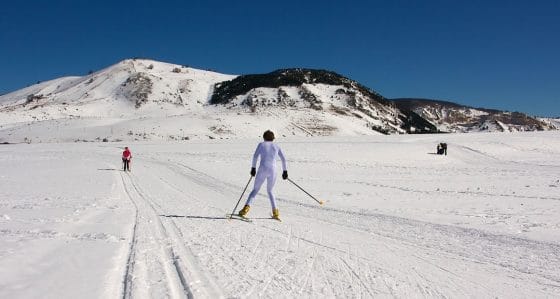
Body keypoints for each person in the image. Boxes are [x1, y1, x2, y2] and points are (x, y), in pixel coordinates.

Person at [238, 130, 287, 220]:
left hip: (262, 169)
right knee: (270, 191)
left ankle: (245, 210)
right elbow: (283, 159)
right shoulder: (277, 146)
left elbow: (255, 156)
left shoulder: (261, 144)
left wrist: (253, 168)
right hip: (273, 170)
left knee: (255, 190)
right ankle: (275, 212)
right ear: (273, 138)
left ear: (264, 137)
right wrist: (285, 171)